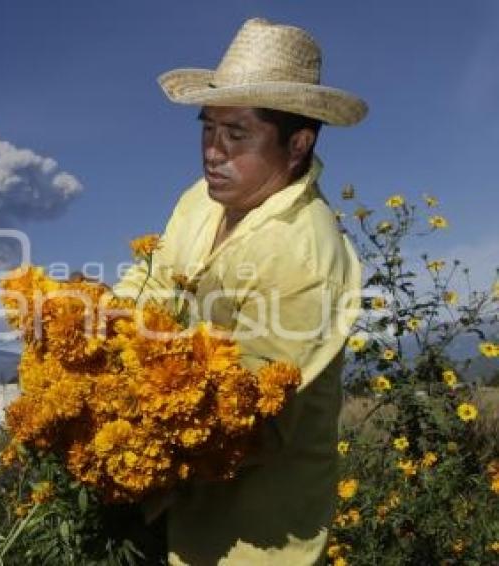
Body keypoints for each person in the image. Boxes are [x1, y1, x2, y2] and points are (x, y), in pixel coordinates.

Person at [112, 18, 366, 565]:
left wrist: (122, 422)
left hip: (256, 539)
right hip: (171, 516)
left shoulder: (304, 255)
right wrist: (99, 321)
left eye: (237, 135)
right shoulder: (200, 202)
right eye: (209, 128)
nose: (213, 151)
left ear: (297, 144)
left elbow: (249, 415)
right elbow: (153, 280)